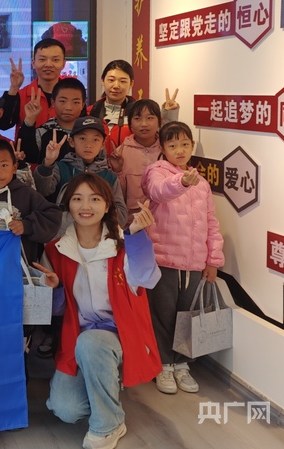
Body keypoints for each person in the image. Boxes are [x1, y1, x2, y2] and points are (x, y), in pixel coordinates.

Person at [37, 173, 162, 449]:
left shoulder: (123, 244)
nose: (86, 206)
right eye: (77, 199)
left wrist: (137, 237)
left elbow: (146, 278)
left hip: (119, 335)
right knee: (65, 409)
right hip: (76, 338)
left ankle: (109, 424)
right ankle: (104, 382)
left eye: (95, 199)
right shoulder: (56, 250)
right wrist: (55, 288)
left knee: (92, 343)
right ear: (68, 205)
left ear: (107, 206)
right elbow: (56, 311)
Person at [142, 121, 225, 395]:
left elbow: (211, 222)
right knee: (162, 315)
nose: (180, 150)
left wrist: (213, 260)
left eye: (185, 144)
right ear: (163, 148)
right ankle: (163, 365)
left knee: (187, 317)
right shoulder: (156, 172)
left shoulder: (202, 184)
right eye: (173, 145)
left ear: (192, 146)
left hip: (194, 264)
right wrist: (181, 182)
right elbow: (159, 191)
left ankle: (181, 364)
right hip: (163, 261)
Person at [33, 116, 128, 229]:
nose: (88, 144)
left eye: (95, 139)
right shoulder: (60, 168)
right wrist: (48, 163)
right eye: (82, 138)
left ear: (103, 145)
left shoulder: (109, 177)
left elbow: (122, 217)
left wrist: (98, 211)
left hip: (97, 236)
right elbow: (42, 190)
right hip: (62, 234)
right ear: (71, 141)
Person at [0, 38, 67, 135]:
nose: (48, 64)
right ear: (33, 63)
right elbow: (2, 124)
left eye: (55, 60)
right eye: (42, 59)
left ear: (63, 64)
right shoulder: (21, 95)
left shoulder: (72, 95)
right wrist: (14, 88)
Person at [113, 99, 164, 227]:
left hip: (163, 221)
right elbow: (117, 194)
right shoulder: (121, 152)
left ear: (160, 121)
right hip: (133, 222)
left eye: (150, 118)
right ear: (130, 123)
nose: (144, 124)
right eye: (137, 118)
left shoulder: (167, 149)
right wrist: (117, 171)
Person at [18, 77, 86, 167]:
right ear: (53, 102)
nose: (68, 107)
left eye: (76, 102)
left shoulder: (89, 131)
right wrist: (30, 119)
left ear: (82, 105)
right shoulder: (42, 132)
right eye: (62, 101)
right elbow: (27, 157)